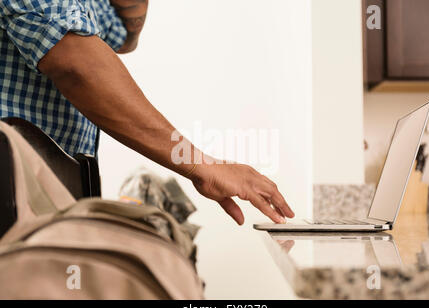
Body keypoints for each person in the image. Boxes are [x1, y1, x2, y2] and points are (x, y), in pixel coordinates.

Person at [0, 0, 294, 225]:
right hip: (11, 199)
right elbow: (73, 61)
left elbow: (120, 34)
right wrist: (199, 164)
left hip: (51, 200)